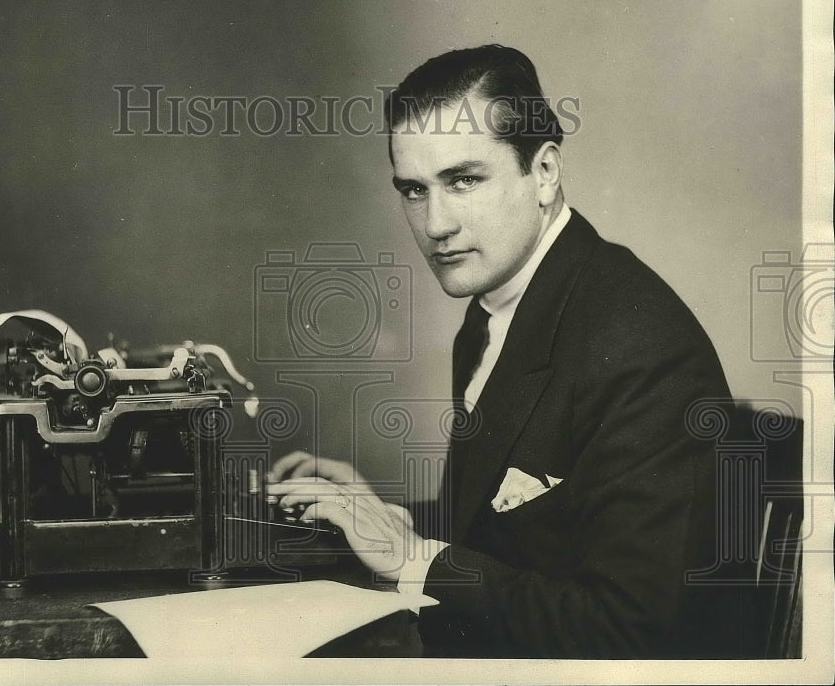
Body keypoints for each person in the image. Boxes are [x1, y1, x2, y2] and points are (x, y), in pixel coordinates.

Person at [267, 44, 739, 658]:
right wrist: (381, 516)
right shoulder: (495, 306)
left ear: (543, 173)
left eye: (463, 180)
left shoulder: (642, 348)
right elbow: (510, 535)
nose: (436, 224)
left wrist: (414, 558)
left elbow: (635, 634)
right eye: (414, 190)